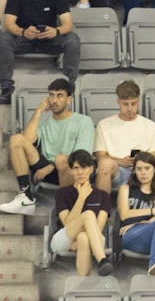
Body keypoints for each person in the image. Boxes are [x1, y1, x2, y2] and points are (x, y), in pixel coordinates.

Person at [0, 77, 90, 213]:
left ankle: (68, 207)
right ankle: (26, 197)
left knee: (61, 160)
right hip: (45, 169)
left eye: (60, 96)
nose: (54, 100)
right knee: (16, 139)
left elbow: (82, 155)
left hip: (71, 169)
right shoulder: (44, 124)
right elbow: (28, 140)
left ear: (69, 99)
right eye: (52, 95)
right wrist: (38, 112)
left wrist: (52, 165)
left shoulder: (83, 121)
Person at [0, 0, 79, 103]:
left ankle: (69, 85)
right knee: (3, 39)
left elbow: (68, 24)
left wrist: (56, 31)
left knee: (73, 40)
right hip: (23, 36)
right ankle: (6, 86)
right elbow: (8, 23)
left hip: (49, 37)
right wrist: (23, 32)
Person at [92, 78, 155, 192]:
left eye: (133, 104)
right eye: (125, 104)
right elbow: (100, 156)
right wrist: (120, 161)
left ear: (138, 101)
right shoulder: (104, 125)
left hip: (143, 169)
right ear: (118, 102)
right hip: (117, 170)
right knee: (105, 164)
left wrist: (140, 161)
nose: (130, 109)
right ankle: (102, 208)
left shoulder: (150, 126)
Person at [51, 149, 113, 276]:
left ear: (91, 169)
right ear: (71, 170)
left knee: (83, 238)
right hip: (65, 237)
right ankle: (102, 259)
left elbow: (99, 227)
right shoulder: (62, 193)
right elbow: (67, 223)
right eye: (75, 168)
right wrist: (81, 198)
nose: (80, 172)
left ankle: (83, 283)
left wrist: (78, 241)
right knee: (89, 214)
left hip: (92, 237)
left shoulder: (103, 196)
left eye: (84, 168)